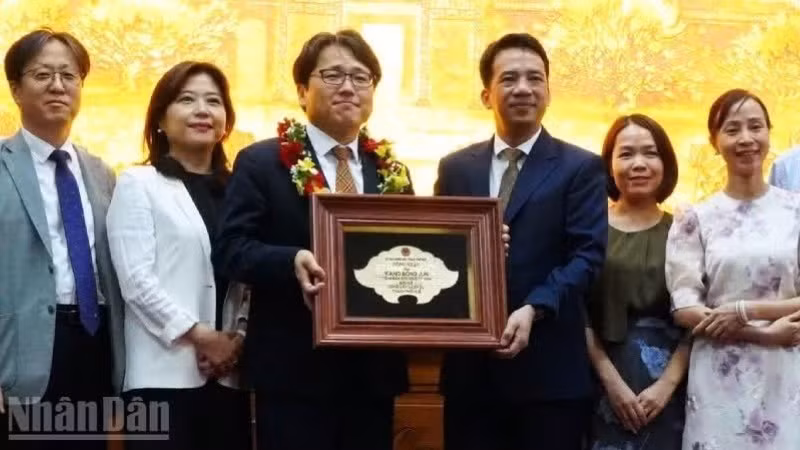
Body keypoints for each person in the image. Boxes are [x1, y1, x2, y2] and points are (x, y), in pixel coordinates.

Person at [213, 29, 413, 450]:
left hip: (372, 376)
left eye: (361, 77)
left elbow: (407, 253)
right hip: (294, 372)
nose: (348, 87)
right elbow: (232, 249)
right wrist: (291, 261)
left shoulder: (392, 170)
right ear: (303, 90)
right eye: (333, 75)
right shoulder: (261, 162)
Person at [434, 32, 607, 450]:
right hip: (471, 376)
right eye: (509, 79)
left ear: (548, 91)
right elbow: (439, 252)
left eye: (535, 78)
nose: (524, 88)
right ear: (486, 94)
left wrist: (534, 308)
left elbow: (587, 256)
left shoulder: (580, 167)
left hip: (550, 375)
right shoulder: (456, 168)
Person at [106, 61, 251, 450]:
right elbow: (136, 281)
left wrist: (235, 340)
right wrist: (202, 337)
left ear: (226, 120)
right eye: (187, 100)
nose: (202, 110)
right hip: (161, 375)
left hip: (229, 376)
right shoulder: (138, 184)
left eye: (213, 101)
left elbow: (249, 274)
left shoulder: (240, 191)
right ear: (160, 120)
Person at [0, 29, 125, 449]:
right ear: (16, 89)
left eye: (68, 76)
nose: (58, 85)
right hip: (20, 354)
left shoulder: (101, 172)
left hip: (94, 343)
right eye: (42, 75)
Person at [666, 88, 800, 449]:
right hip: (719, 374)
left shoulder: (796, 212)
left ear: (769, 134)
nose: (746, 139)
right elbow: (684, 306)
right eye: (732, 129)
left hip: (787, 372)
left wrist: (745, 311)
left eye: (755, 127)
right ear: (715, 141)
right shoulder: (695, 218)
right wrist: (762, 333)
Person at [585, 114, 687, 449]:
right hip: (601, 383)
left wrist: (666, 385)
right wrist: (610, 381)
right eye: (626, 154)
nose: (638, 164)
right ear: (609, 164)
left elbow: (700, 316)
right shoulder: (588, 229)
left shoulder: (686, 231)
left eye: (650, 153)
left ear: (666, 162)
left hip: (670, 389)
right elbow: (577, 312)